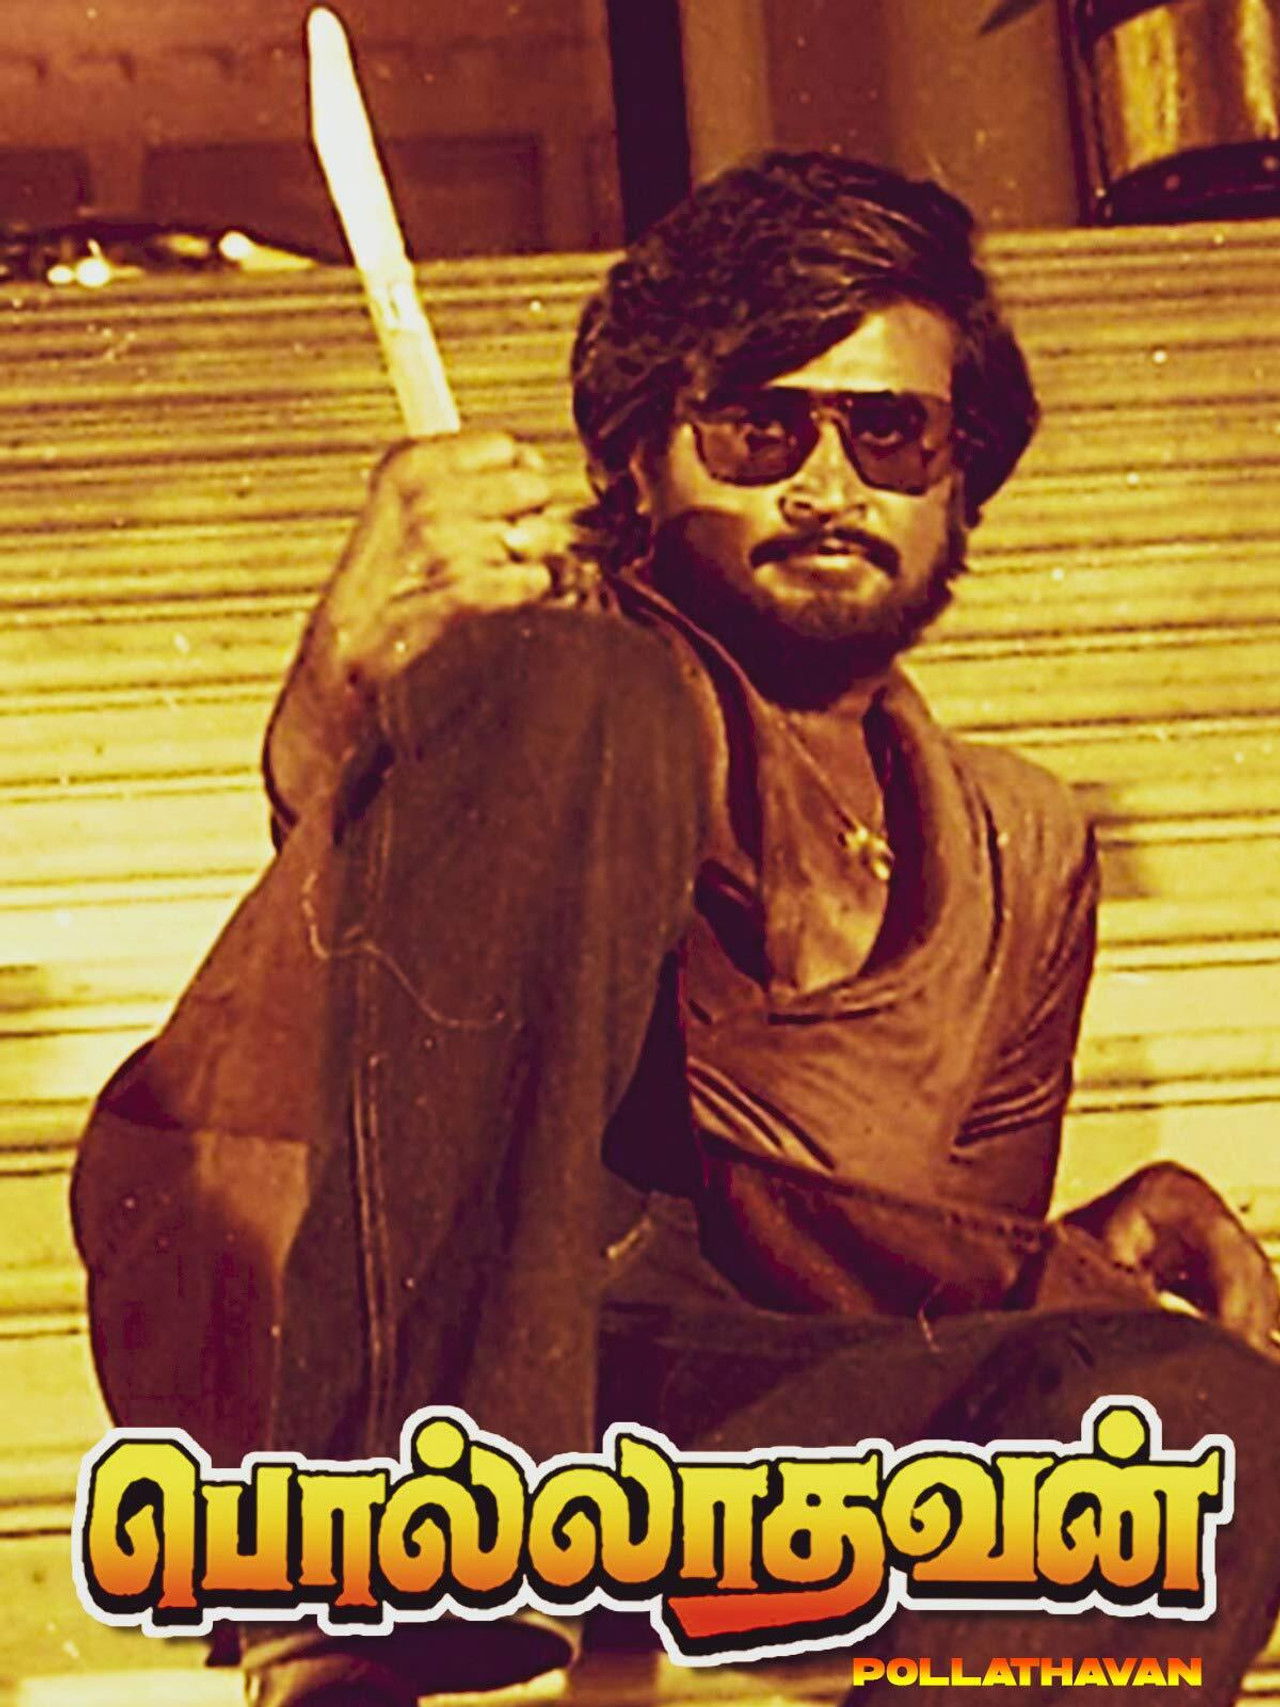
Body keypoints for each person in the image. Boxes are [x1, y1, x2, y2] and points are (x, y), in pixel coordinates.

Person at [71, 153, 1280, 1706]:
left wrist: (1074, 1259)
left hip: (703, 1434)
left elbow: (893, 1269)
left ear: (959, 477)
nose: (829, 484)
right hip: (416, 1372)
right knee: (576, 691)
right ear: (637, 462)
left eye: (891, 433)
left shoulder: (1019, 848)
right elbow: (359, 913)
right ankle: (387, 1567)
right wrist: (342, 689)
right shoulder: (556, 664)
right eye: (759, 428)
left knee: (1200, 1423)